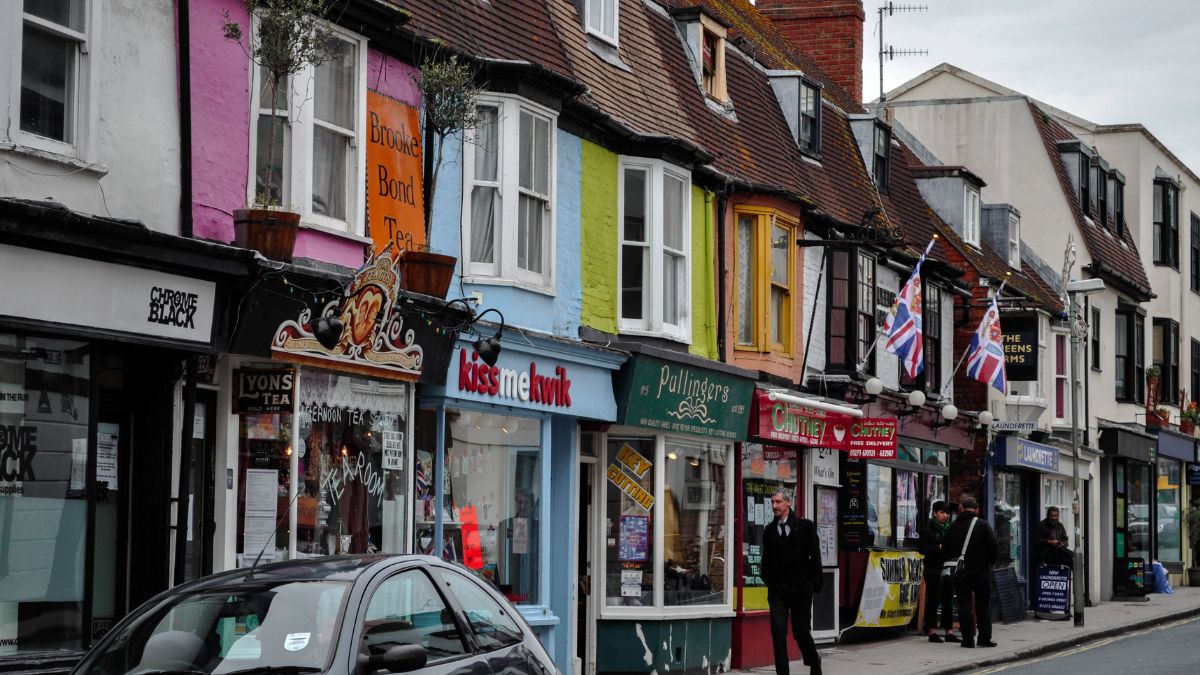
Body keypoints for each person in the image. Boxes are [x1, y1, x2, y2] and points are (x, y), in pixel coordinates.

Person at [761, 488, 822, 675]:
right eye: (772, 502)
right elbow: (767, 560)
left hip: (801, 590)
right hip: (778, 591)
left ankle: (813, 660)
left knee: (800, 632)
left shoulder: (805, 527)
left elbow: (816, 557)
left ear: (788, 503)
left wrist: (812, 584)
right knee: (778, 634)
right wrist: (769, 581)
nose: (774, 506)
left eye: (778, 502)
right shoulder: (769, 531)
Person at [942, 497, 998, 649]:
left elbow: (945, 549)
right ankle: (984, 638)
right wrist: (992, 562)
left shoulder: (953, 526)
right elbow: (993, 545)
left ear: (961, 508)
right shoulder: (983, 525)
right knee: (983, 605)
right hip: (981, 571)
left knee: (964, 605)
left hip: (960, 572)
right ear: (977, 509)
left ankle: (967, 640)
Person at [918, 501, 959, 643]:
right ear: (935, 513)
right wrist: (938, 547)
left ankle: (949, 632)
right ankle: (932, 631)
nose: (945, 515)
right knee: (934, 601)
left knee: (948, 601)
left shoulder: (951, 528)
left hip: (947, 568)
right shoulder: (928, 529)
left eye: (947, 513)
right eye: (942, 512)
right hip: (932, 569)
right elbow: (922, 549)